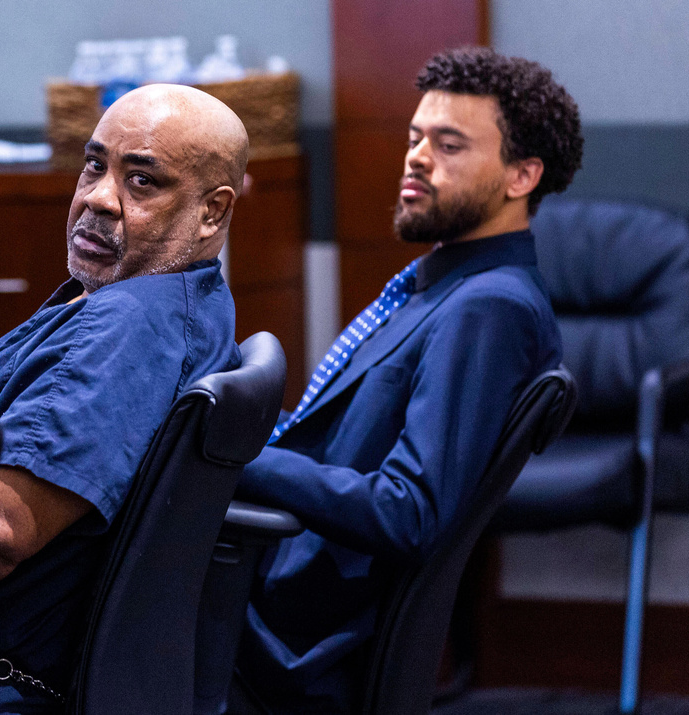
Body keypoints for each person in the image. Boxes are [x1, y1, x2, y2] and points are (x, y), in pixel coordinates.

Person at [230, 47, 584, 713]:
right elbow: (331, 444)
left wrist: (241, 458)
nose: (417, 157)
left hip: (285, 638)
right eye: (416, 137)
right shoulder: (443, 286)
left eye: (449, 145)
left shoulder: (488, 307)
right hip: (267, 589)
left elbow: (409, 511)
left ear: (521, 175)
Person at [0, 84, 248, 712]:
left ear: (212, 212)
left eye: (142, 182)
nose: (98, 198)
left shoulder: (128, 326)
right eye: (95, 165)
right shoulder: (165, 300)